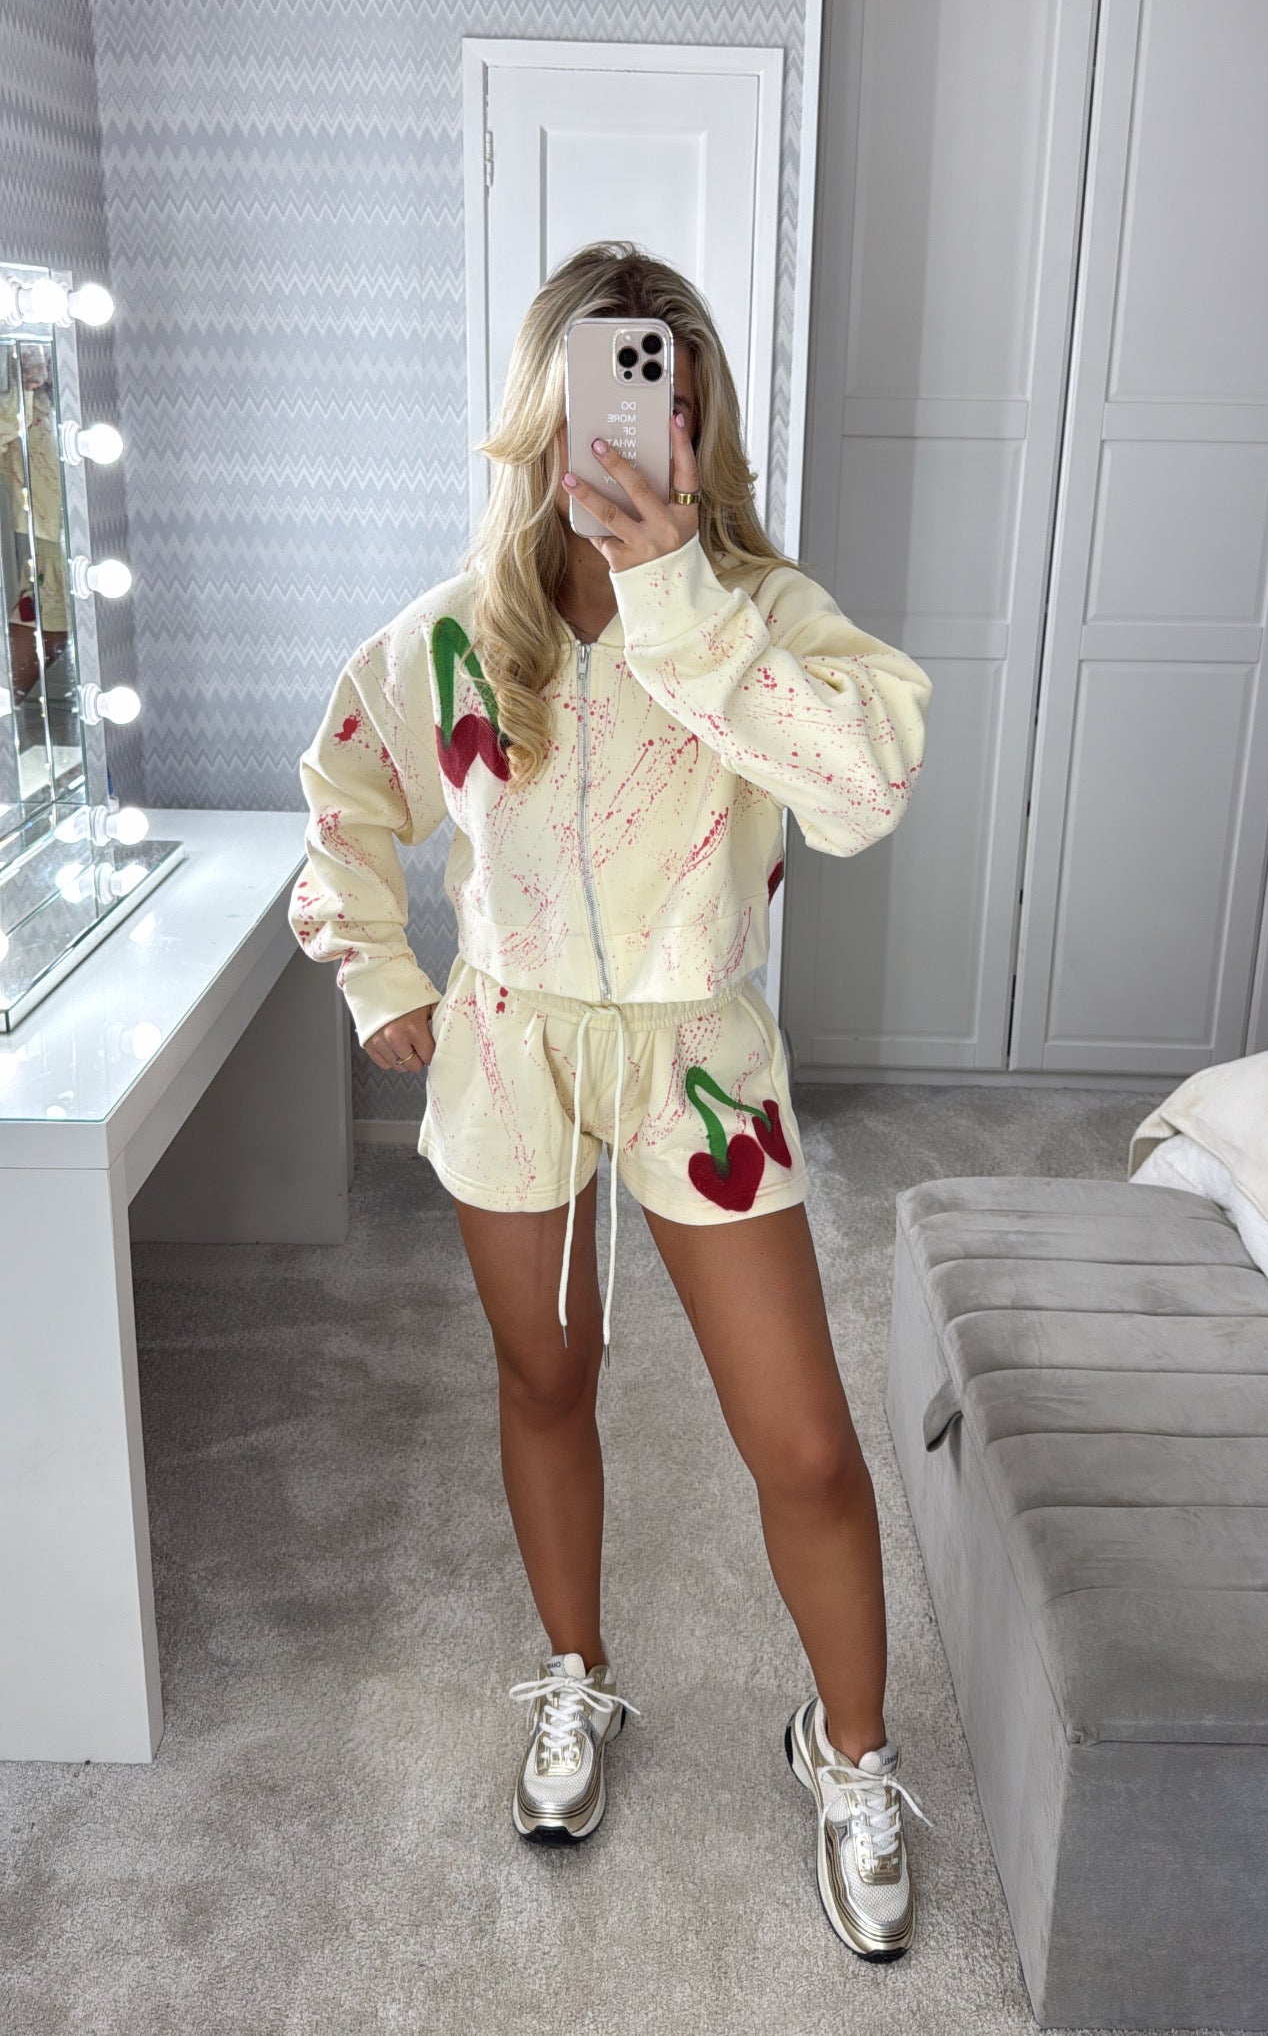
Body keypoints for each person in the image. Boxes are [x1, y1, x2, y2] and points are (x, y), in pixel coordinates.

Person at [288, 240, 934, 1960]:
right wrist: (378, 969)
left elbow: (866, 786)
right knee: (545, 1374)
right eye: (612, 389)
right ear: (548, 408)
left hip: (698, 1056)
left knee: (804, 1440)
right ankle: (574, 1672)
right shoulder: (459, 635)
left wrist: (682, 606)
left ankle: (851, 1751)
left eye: (673, 393)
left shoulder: (756, 616)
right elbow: (345, 792)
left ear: (700, 420)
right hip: (513, 1049)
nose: (646, 424)